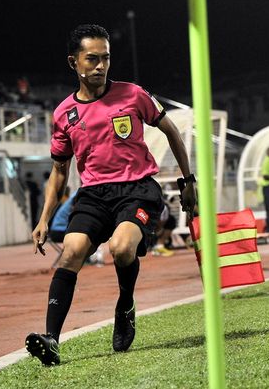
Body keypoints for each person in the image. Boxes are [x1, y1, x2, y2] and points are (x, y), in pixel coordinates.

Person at [25, 24, 196, 366]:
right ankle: (52, 340)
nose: (101, 66)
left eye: (105, 58)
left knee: (120, 248)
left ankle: (126, 304)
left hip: (138, 189)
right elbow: (59, 171)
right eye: (92, 59)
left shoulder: (133, 94)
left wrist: (188, 180)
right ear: (74, 62)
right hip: (93, 194)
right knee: (71, 252)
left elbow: (172, 131)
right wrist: (43, 218)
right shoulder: (63, 114)